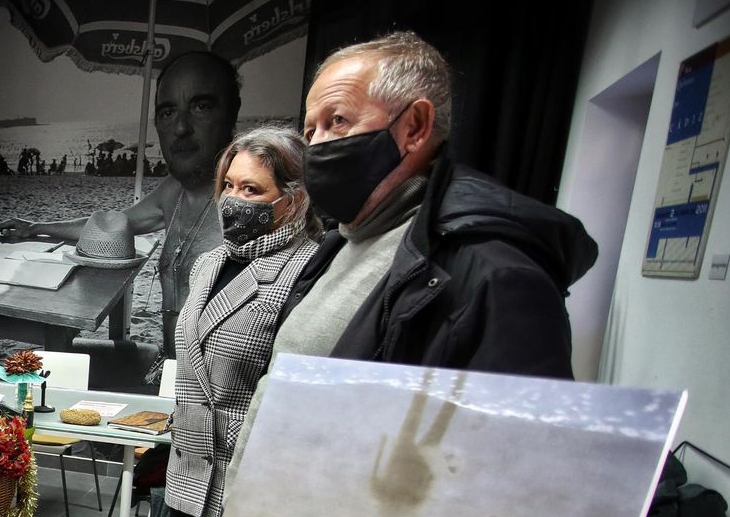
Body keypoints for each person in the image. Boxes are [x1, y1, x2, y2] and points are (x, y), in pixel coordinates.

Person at [228, 32, 596, 474]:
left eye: (338, 121)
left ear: (415, 128)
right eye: (311, 129)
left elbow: (517, 469)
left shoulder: (493, 274)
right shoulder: (339, 246)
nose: (318, 144)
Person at [0, 51, 241, 355]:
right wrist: (36, 228)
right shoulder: (174, 191)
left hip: (210, 393)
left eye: (201, 107)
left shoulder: (250, 208)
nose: (180, 128)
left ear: (232, 112)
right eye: (167, 112)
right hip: (169, 369)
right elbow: (111, 228)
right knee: (47, 361)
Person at [166, 127, 320, 517]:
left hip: (250, 488)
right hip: (189, 475)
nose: (233, 200)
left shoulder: (308, 271)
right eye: (229, 186)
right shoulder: (208, 265)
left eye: (252, 190)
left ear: (292, 202)